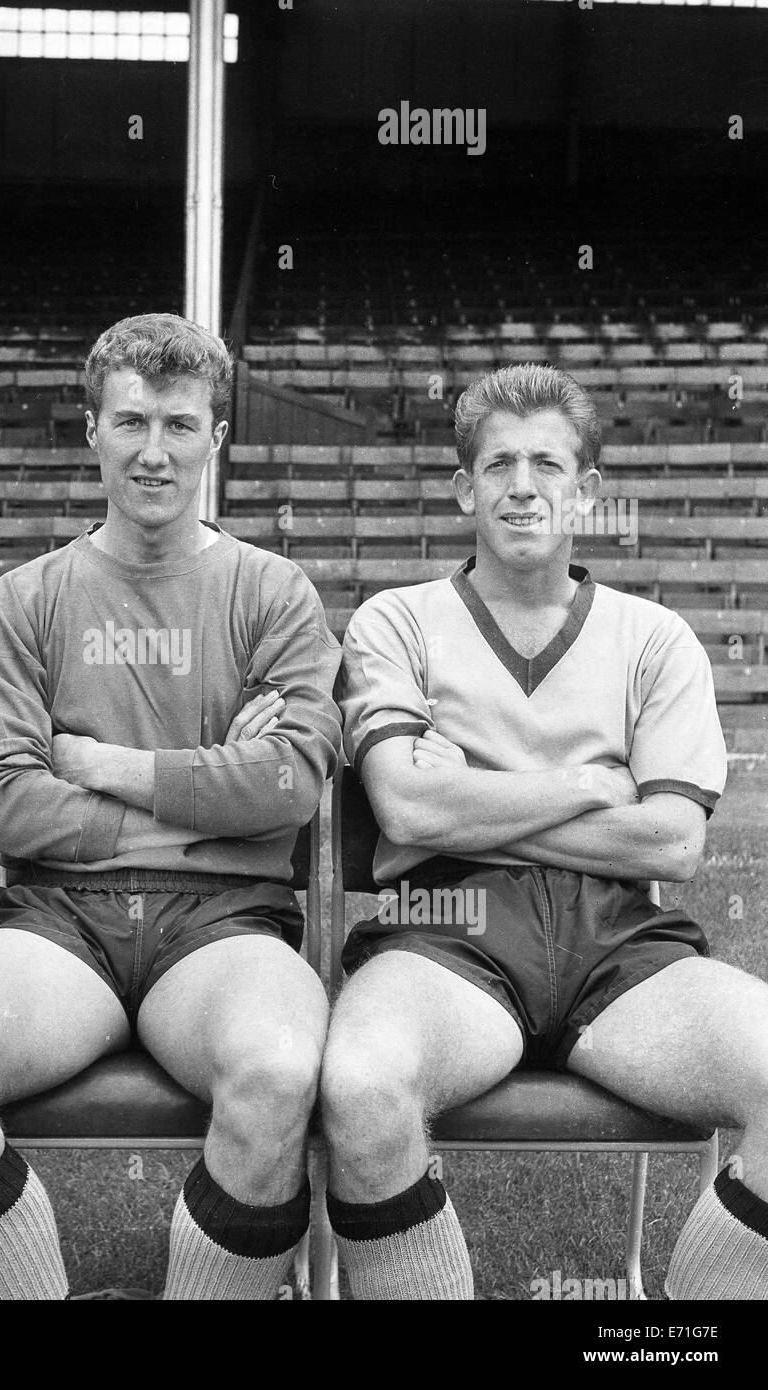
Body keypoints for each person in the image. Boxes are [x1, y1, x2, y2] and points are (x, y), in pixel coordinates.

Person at [0, 313, 342, 1300]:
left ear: (217, 435)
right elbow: (0, 800)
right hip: (56, 924)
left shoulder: (273, 593)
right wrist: (205, 797)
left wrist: (96, 764)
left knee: (276, 1065)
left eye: (180, 424)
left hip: (226, 926)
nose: (153, 451)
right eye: (130, 421)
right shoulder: (25, 598)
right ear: (90, 429)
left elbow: (288, 786)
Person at [321, 362, 768, 1299]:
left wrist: (471, 801)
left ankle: (677, 1338)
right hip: (447, 928)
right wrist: (586, 784)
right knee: (361, 1083)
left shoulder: (656, 638)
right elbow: (403, 810)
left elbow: (672, 847)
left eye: (548, 465)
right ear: (464, 486)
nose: (523, 487)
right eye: (498, 465)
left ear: (587, 490)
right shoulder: (396, 622)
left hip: (621, 944)